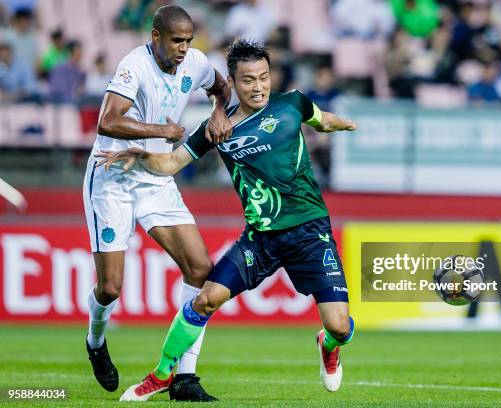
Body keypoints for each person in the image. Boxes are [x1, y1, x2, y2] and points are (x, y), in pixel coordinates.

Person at [96, 39, 358, 402]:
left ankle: (328, 344)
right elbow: (171, 164)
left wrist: (341, 124)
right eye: (249, 80)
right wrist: (141, 155)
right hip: (260, 239)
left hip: (310, 232)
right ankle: (161, 375)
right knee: (205, 300)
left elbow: (321, 120)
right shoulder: (217, 128)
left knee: (340, 326)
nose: (259, 86)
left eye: (264, 77)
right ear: (233, 82)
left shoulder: (292, 103)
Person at [83, 5, 232, 402]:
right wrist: (160, 130)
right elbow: (108, 121)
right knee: (111, 288)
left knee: (200, 268)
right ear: (156, 38)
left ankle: (185, 377)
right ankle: (96, 340)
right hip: (112, 178)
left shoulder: (196, 63)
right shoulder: (134, 65)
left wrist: (219, 112)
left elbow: (223, 87)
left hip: (156, 177)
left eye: (188, 40)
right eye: (176, 41)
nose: (184, 48)